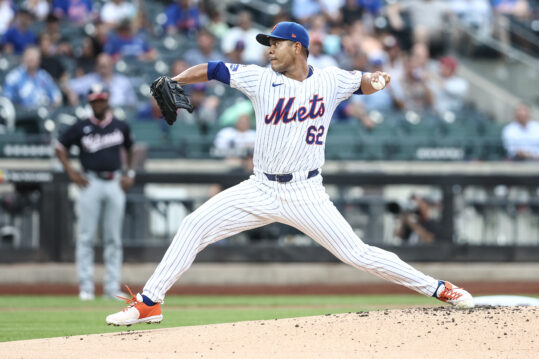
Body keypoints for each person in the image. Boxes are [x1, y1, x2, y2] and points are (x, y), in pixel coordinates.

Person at [106, 21, 474, 326]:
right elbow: (214, 69)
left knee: (358, 254)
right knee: (193, 226)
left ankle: (440, 288)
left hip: (307, 193)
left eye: (276, 44)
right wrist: (177, 80)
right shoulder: (260, 78)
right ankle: (150, 302)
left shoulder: (329, 80)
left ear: (297, 47)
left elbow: (362, 82)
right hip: (260, 187)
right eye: (268, 45)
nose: (269, 50)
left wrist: (376, 80)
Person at [55, 84, 136, 300]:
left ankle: (111, 288)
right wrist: (71, 172)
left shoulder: (119, 125)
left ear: (107, 101)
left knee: (113, 238)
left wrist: (130, 173)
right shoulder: (81, 126)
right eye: (94, 100)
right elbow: (59, 147)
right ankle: (86, 287)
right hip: (90, 181)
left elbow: (131, 148)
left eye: (101, 99)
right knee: (86, 236)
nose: (98, 103)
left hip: (114, 181)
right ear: (90, 102)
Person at [67, 53, 137, 108]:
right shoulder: (90, 80)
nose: (103, 70)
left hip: (119, 114)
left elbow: (132, 103)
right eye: (100, 66)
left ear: (111, 65)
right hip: (96, 115)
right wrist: (72, 94)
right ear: (96, 67)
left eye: (105, 66)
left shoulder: (123, 81)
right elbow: (68, 85)